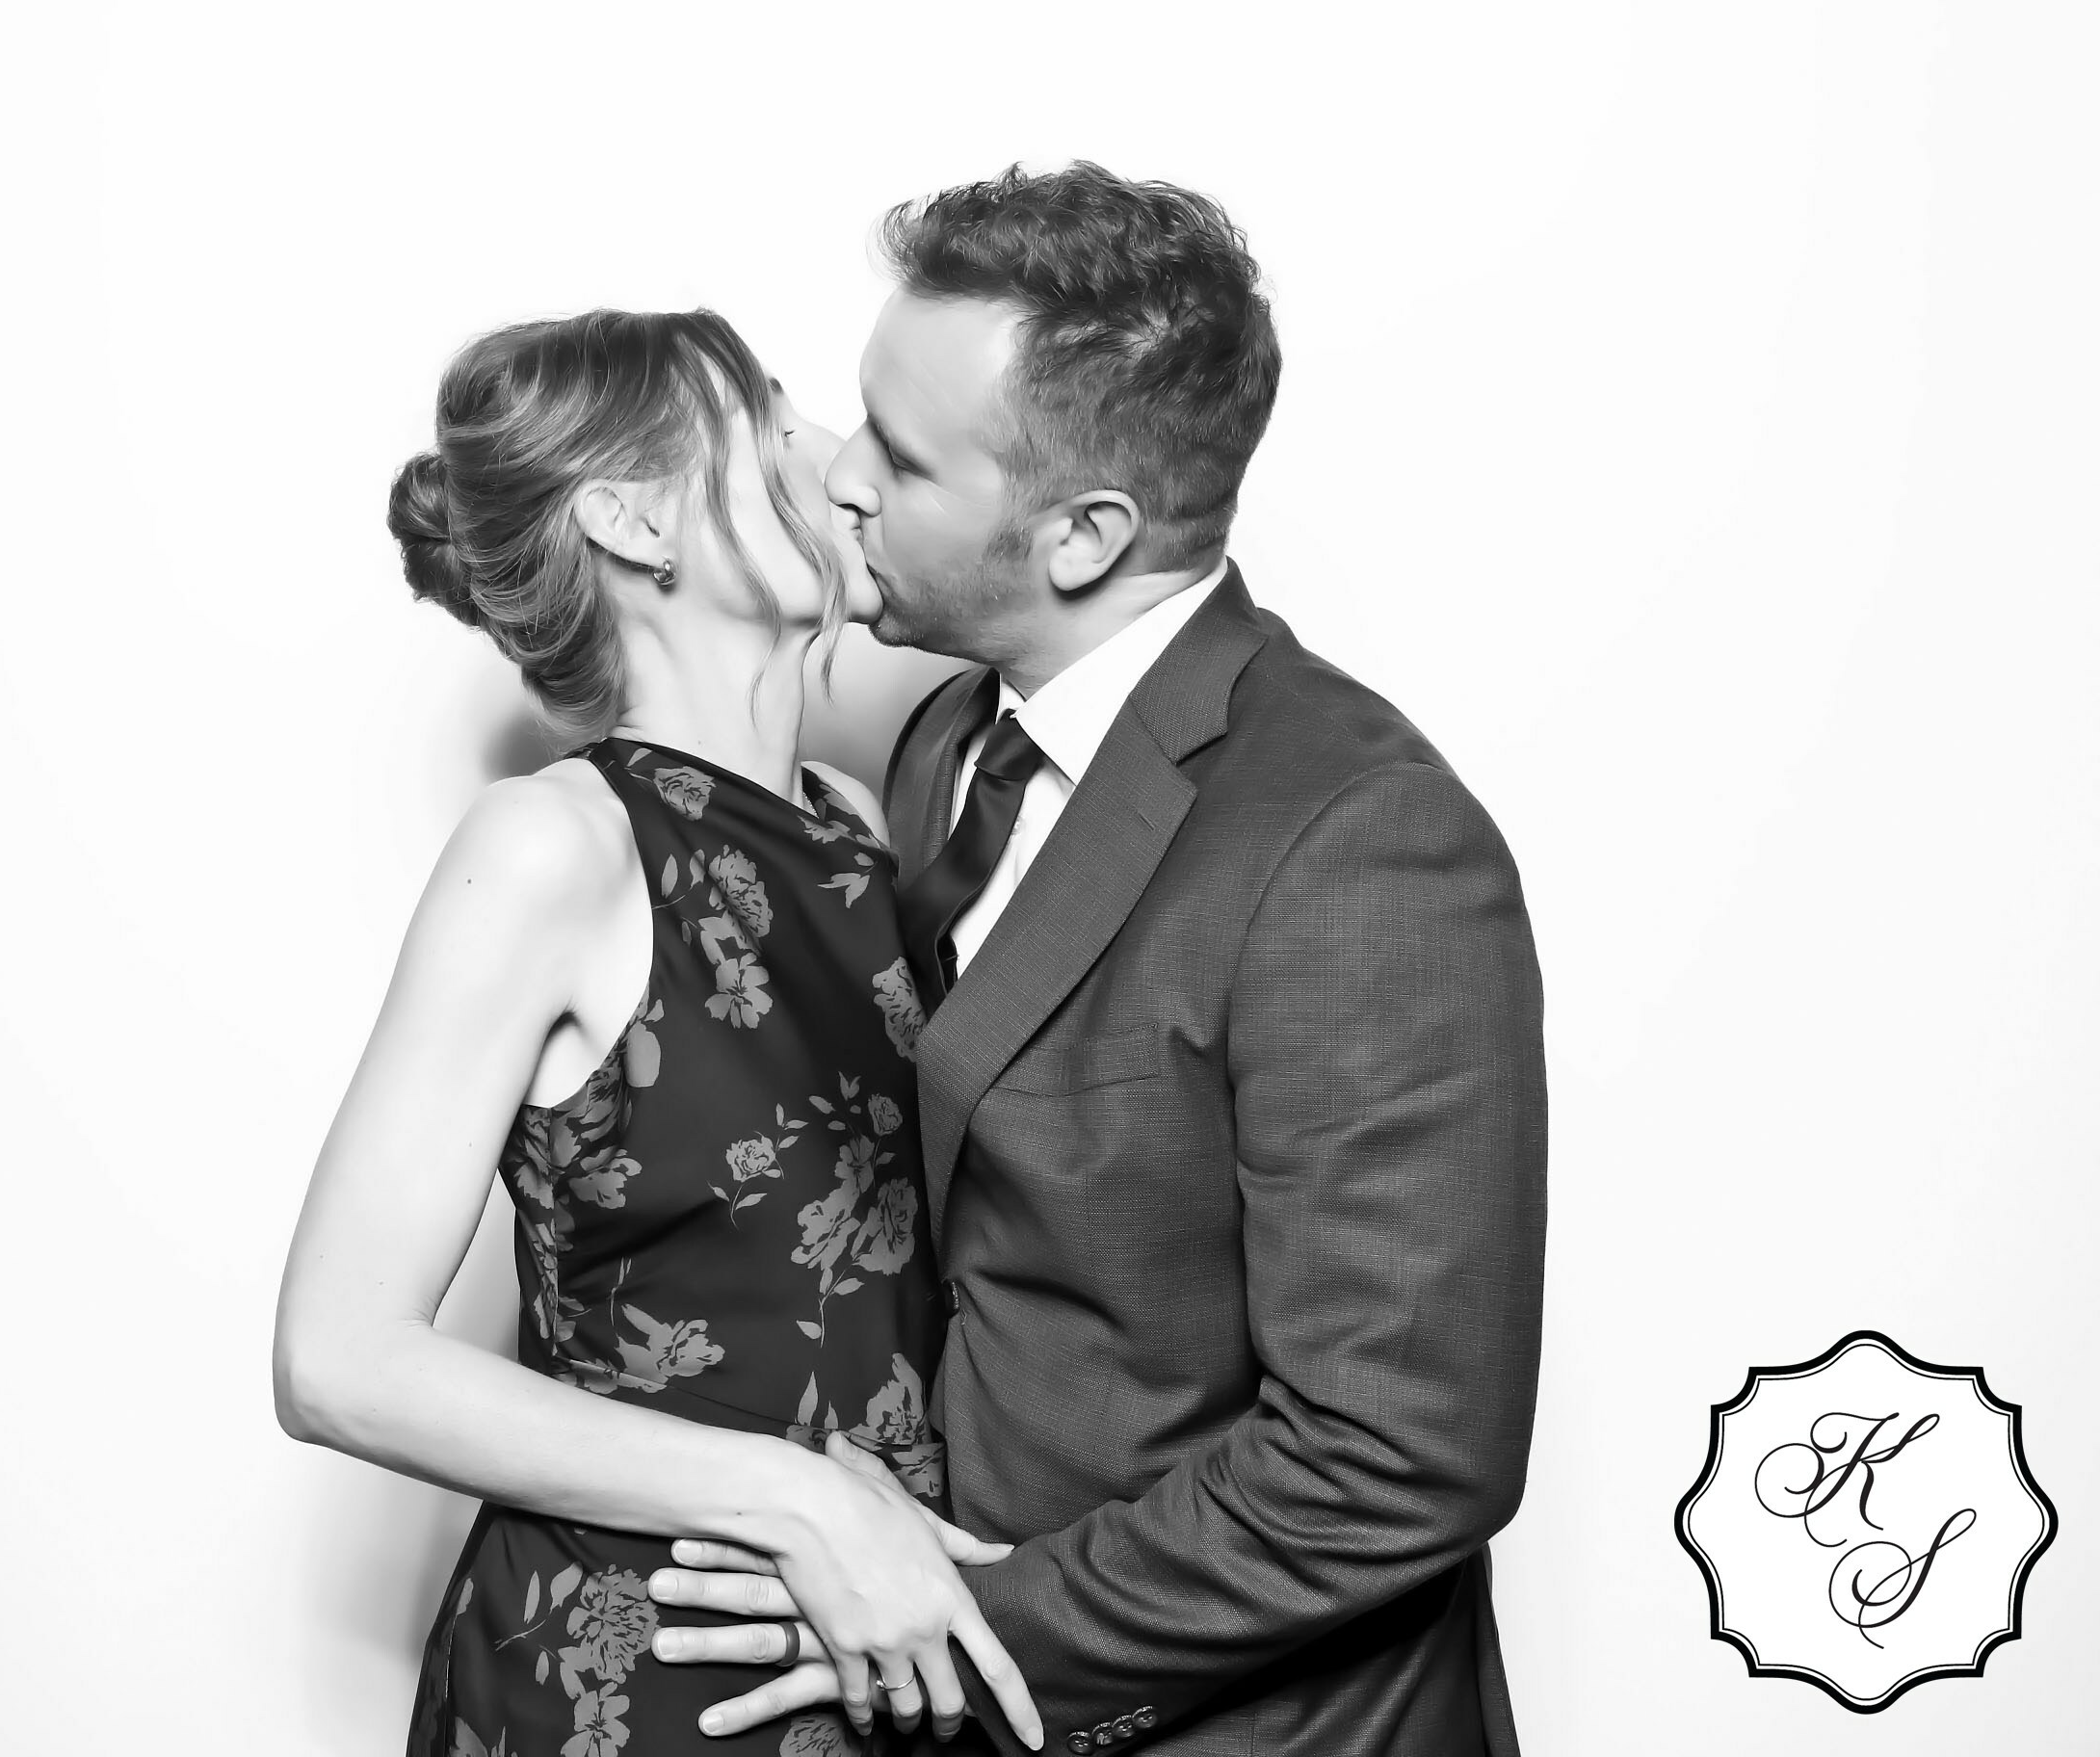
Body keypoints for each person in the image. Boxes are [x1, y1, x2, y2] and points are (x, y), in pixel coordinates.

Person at [644, 165, 1550, 1756]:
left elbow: (1397, 1460)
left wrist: (968, 1638)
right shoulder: (943, 745)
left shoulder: (1365, 847)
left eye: (902, 456)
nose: (840, 479)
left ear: (1083, 536)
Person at [270, 308, 1046, 1757]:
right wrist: (805, 1501)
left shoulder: (852, 824)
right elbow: (337, 1357)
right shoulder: (553, 848)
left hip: (878, 1649)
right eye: (774, 423)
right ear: (631, 522)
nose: (841, 462)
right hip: (634, 1665)